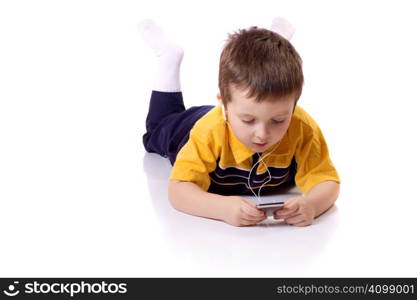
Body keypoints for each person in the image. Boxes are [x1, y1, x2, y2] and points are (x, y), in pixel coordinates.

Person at [139, 17, 340, 227]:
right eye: (249, 120)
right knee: (157, 127)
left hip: (237, 108)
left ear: (293, 106)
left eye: (279, 120)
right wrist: (222, 208)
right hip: (188, 126)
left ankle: (270, 48)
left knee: (257, 103)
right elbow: (178, 190)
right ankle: (169, 58)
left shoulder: (302, 126)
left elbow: (327, 181)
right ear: (224, 106)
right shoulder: (208, 131)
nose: (263, 134)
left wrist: (312, 205)